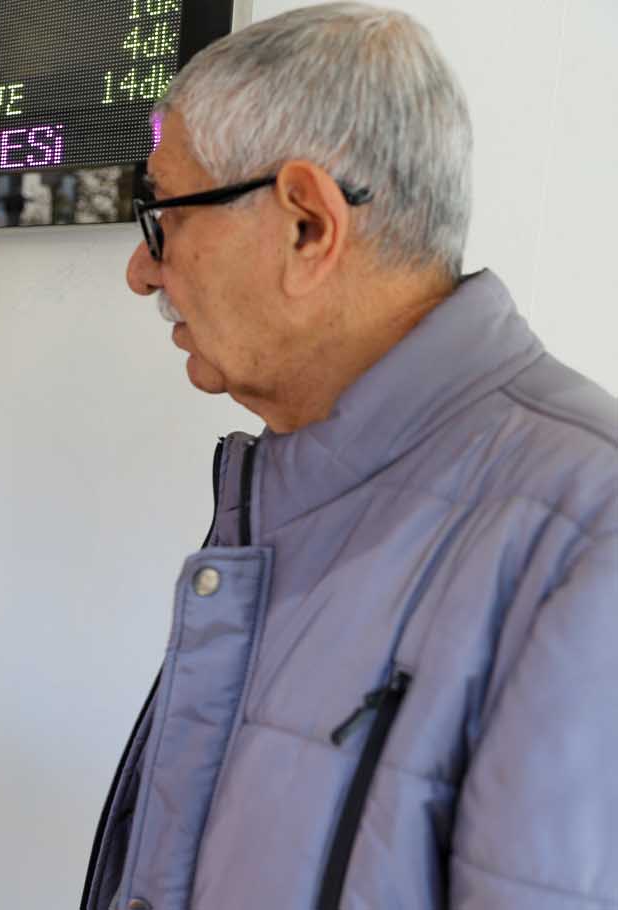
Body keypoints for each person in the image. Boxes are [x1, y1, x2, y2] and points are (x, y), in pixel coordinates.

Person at [85, 4, 618, 909]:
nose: (143, 272)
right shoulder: (296, 493)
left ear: (307, 226)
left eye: (161, 217)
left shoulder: (586, 538)